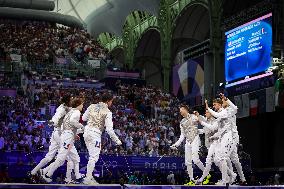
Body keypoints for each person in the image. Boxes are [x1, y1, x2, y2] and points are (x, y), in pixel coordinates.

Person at [82, 93, 122, 184]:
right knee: (94, 157)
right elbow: (109, 130)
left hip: (86, 132)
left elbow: (84, 118)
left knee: (92, 156)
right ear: (108, 101)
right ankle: (88, 178)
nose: (112, 103)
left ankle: (89, 176)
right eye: (111, 101)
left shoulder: (92, 106)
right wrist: (117, 140)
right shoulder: (108, 112)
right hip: (95, 134)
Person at [42, 97, 85, 183]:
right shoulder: (76, 112)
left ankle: (77, 176)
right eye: (82, 104)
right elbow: (73, 122)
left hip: (67, 136)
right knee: (61, 159)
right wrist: (82, 127)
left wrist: (76, 132)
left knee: (76, 158)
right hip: (67, 138)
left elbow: (66, 126)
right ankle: (48, 174)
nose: (82, 106)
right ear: (78, 105)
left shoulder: (70, 112)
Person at [31, 94, 71, 176]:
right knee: (64, 159)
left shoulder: (63, 107)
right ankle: (46, 172)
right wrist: (52, 122)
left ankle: (34, 172)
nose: (72, 101)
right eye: (71, 99)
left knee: (49, 156)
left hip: (55, 133)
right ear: (68, 100)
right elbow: (56, 117)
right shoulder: (63, 109)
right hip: (60, 134)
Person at [170, 104, 204, 186]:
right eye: (179, 110)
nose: (180, 111)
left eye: (181, 109)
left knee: (195, 160)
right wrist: (176, 144)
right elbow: (182, 136)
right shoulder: (181, 122)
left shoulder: (194, 116)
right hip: (188, 142)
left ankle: (206, 173)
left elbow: (204, 121)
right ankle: (192, 180)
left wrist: (199, 118)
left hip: (195, 139)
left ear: (186, 109)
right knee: (187, 162)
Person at [206, 98, 234, 185]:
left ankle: (225, 180)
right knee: (216, 160)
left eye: (215, 105)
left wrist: (208, 108)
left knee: (222, 158)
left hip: (228, 136)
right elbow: (215, 128)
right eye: (213, 105)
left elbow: (216, 115)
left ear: (220, 104)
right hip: (221, 138)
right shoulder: (219, 115)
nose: (214, 106)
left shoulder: (224, 112)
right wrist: (213, 136)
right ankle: (232, 174)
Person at [220, 93, 246, 184]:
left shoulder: (231, 110)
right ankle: (242, 179)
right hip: (227, 138)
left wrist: (226, 98)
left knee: (224, 156)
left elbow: (235, 108)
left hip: (233, 137)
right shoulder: (222, 112)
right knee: (234, 159)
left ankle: (229, 178)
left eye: (223, 101)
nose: (222, 102)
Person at [194, 109, 218, 185]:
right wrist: (197, 131)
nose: (206, 113)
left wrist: (199, 119)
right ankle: (231, 175)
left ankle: (201, 179)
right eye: (205, 112)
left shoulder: (215, 121)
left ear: (211, 113)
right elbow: (204, 130)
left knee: (210, 161)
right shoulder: (207, 121)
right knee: (217, 162)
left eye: (207, 112)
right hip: (209, 145)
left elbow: (211, 128)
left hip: (216, 144)